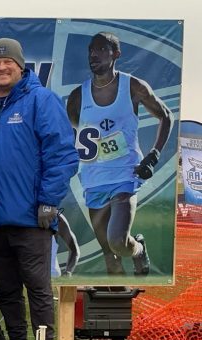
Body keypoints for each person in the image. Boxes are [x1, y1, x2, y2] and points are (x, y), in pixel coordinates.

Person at [0, 38, 78, 340]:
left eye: (8, 63)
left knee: (38, 289)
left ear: (21, 67)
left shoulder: (40, 100)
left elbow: (62, 153)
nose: (2, 68)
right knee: (6, 291)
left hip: (32, 218)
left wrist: (48, 200)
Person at [66, 31, 173, 276]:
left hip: (126, 176)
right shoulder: (77, 97)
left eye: (102, 49)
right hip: (94, 180)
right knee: (109, 254)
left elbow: (166, 115)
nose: (94, 54)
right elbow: (73, 137)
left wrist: (153, 155)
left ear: (116, 54)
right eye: (91, 49)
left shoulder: (133, 86)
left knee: (117, 240)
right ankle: (116, 300)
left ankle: (137, 249)